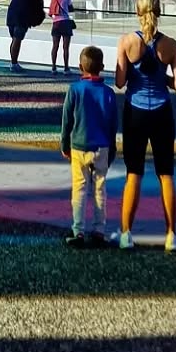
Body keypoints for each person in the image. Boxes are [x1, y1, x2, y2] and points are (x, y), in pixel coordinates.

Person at [115, 0, 176, 250]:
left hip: (135, 112)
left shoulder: (126, 42)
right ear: (159, 12)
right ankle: (171, 236)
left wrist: (136, 75)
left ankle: (126, 234)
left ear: (138, 12)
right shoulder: (171, 45)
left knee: (133, 173)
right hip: (162, 113)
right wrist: (161, 78)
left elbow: (120, 82)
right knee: (166, 174)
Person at [59, 44, 118, 247]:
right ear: (101, 66)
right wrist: (112, 149)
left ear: (79, 67)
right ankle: (99, 231)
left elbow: (67, 121)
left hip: (79, 145)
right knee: (100, 189)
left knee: (80, 188)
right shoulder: (108, 93)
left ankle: (78, 230)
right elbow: (113, 124)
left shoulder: (75, 90)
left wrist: (64, 144)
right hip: (102, 146)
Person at [4, 0, 44, 71]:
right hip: (22, 18)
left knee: (14, 40)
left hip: (11, 16)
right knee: (17, 40)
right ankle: (14, 64)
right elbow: (39, 4)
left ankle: (13, 62)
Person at [48, 0, 75, 73]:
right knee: (66, 47)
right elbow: (71, 9)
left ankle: (53, 67)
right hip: (65, 23)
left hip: (56, 23)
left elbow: (50, 13)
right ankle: (66, 68)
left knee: (55, 46)